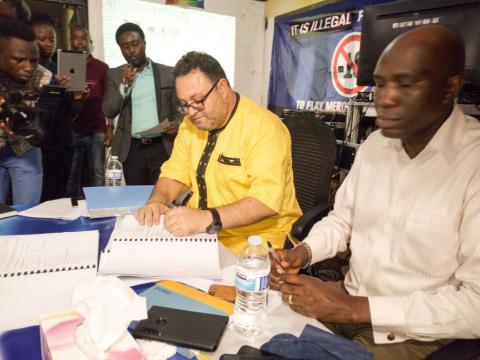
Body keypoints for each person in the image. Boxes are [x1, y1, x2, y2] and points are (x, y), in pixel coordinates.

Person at [270, 25, 480, 360]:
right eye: (380, 84)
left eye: (405, 84)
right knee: (256, 328)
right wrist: (305, 253)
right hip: (348, 300)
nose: (385, 98)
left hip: (412, 334)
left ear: (450, 88)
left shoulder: (473, 163)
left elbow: (476, 307)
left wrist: (354, 309)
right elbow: (342, 221)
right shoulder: (376, 146)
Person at [135, 51, 302, 254]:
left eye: (197, 100)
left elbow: (265, 202)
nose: (191, 112)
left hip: (256, 243)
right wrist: (157, 201)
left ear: (222, 88)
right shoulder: (190, 124)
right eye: (184, 104)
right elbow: (174, 173)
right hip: (206, 235)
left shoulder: (264, 128)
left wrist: (206, 219)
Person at [102, 22, 179, 185]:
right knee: (137, 200)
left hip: (162, 147)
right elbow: (108, 110)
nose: (131, 50)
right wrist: (124, 85)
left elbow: (180, 108)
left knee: (162, 198)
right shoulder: (115, 75)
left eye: (135, 44)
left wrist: (178, 123)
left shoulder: (167, 73)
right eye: (125, 46)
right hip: (132, 150)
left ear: (144, 43)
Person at [0, 19, 52, 204]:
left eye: (34, 60)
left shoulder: (43, 76)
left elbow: (41, 120)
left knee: (28, 213)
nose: (28, 67)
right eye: (19, 59)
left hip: (25, 150)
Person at [30, 12, 74, 201]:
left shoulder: (63, 70)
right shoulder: (27, 72)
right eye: (42, 39)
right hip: (37, 144)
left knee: (59, 195)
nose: (48, 43)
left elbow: (71, 111)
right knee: (38, 196)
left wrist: (77, 98)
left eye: (52, 39)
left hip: (63, 140)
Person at [66, 26, 110, 199]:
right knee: (72, 174)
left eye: (83, 38)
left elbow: (108, 99)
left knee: (98, 173)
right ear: (71, 42)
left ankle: (100, 207)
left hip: (96, 128)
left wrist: (110, 127)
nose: (79, 42)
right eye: (75, 38)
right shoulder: (65, 67)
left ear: (90, 43)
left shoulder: (102, 67)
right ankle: (71, 209)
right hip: (72, 129)